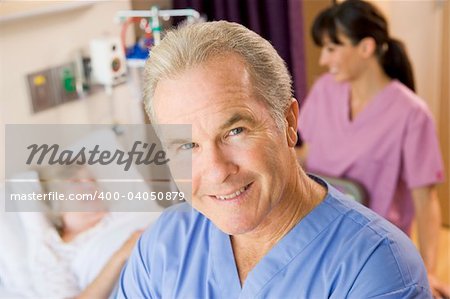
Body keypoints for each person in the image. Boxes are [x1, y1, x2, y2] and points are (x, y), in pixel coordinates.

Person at [118, 20, 431, 298]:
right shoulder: (162, 245)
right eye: (187, 146)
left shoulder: (376, 268)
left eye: (235, 130)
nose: (216, 172)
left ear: (289, 123)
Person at [297, 0, 448, 298]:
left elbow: (425, 199)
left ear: (366, 48)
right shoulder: (326, 89)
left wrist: (427, 270)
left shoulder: (411, 114)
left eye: (332, 48)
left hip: (373, 248)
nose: (324, 60)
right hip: (314, 234)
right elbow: (306, 156)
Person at [0, 165, 156, 299]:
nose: (90, 186)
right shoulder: (52, 250)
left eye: (92, 181)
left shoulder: (123, 215)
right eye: (75, 182)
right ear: (53, 199)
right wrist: (123, 253)